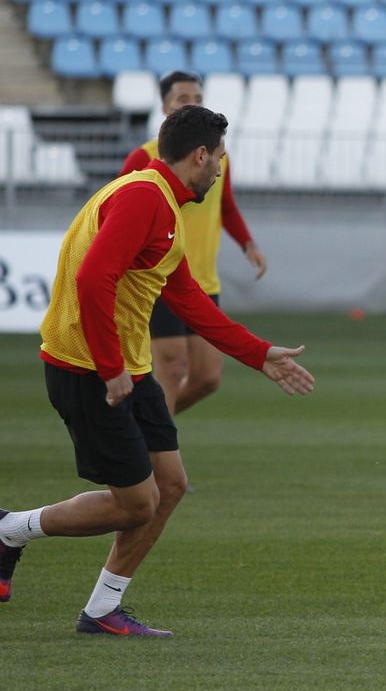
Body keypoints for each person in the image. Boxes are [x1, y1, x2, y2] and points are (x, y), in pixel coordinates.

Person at [0, 105, 314, 636]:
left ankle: (101, 610)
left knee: (168, 487)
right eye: (218, 159)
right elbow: (94, 277)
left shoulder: (155, 197)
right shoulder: (146, 198)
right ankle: (10, 530)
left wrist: (259, 353)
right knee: (136, 505)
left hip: (130, 370)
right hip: (89, 372)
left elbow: (188, 299)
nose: (220, 170)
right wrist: (109, 367)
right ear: (199, 156)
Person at [119, 70, 267, 417]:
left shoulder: (216, 157)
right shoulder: (143, 159)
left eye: (198, 99)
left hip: (203, 279)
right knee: (171, 370)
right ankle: (158, 456)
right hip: (161, 279)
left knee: (207, 377)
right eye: (183, 99)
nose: (192, 105)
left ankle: (143, 434)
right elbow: (121, 214)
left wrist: (248, 244)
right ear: (164, 107)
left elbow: (225, 204)